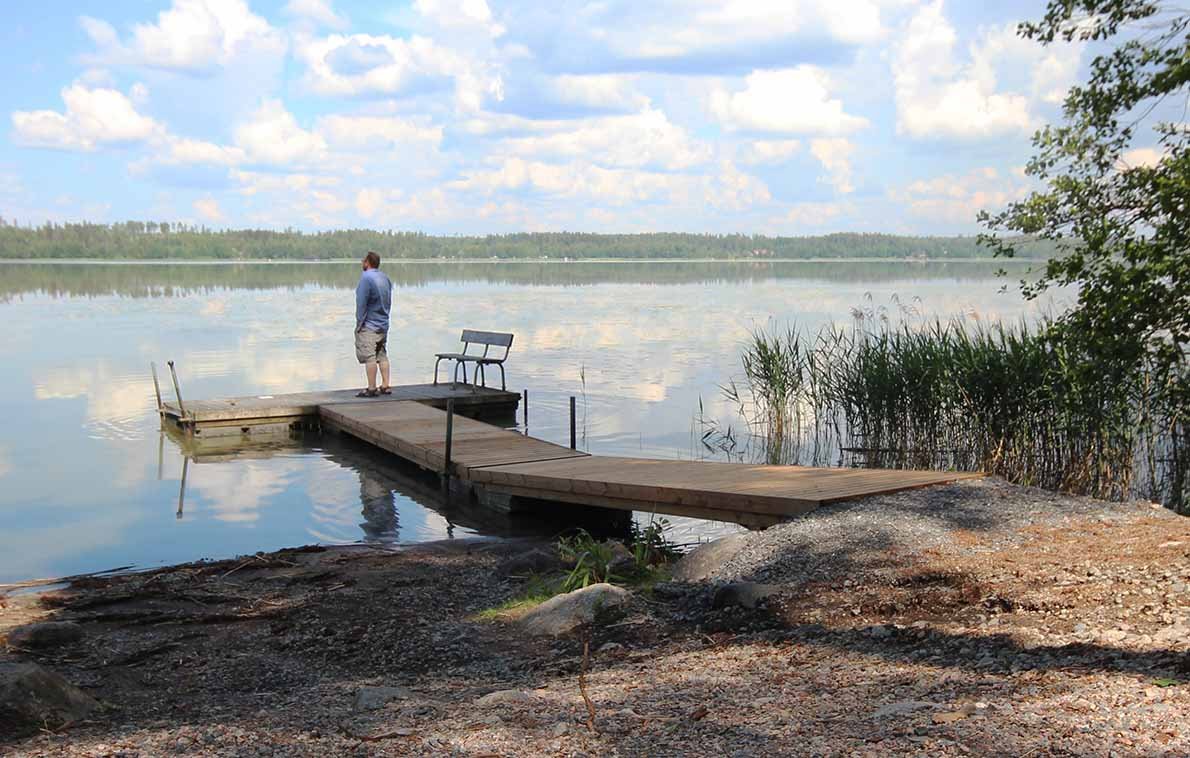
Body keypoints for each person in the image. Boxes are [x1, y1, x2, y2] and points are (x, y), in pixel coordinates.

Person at [354, 251, 393, 397]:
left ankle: (371, 388)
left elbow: (361, 303)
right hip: (383, 323)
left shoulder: (366, 278)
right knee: (382, 354)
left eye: (363, 260)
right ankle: (386, 385)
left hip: (369, 325)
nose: (361, 262)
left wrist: (359, 323)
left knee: (370, 356)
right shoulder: (385, 278)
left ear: (368, 262)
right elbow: (388, 300)